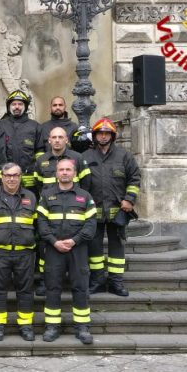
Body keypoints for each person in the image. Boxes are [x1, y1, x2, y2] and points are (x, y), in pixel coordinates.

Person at [36, 158, 97, 344]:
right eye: (61, 169)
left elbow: (91, 224)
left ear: (75, 173)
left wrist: (74, 240)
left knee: (80, 287)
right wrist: (54, 242)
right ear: (56, 173)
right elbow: (41, 223)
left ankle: (82, 327)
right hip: (53, 249)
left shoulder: (85, 196)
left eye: (68, 169)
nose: (64, 172)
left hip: (78, 249)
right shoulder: (46, 195)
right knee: (52, 287)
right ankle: (52, 326)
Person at [28, 126, 91, 296]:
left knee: (76, 252)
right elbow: (38, 185)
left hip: (74, 211)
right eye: (54, 137)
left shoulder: (77, 158)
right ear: (49, 140)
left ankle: (76, 283)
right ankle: (44, 281)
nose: (57, 140)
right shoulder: (41, 160)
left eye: (60, 137)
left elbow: (86, 184)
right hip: (50, 211)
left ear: (66, 140)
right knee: (45, 249)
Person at [82, 117, 141, 297]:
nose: (103, 136)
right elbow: (80, 184)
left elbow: (135, 178)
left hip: (118, 212)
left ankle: (116, 282)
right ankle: (97, 281)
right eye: (100, 133)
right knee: (94, 249)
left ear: (112, 136)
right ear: (95, 135)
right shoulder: (85, 157)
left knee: (117, 248)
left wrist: (129, 199)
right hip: (93, 212)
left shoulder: (124, 156)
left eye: (107, 133)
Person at [0, 163, 37, 342]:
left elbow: (37, 224)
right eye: (8, 175)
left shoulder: (31, 196)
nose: (11, 179)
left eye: (15, 175)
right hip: (0, 253)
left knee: (26, 291)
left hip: (25, 253)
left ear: (20, 177)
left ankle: (26, 325)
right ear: (2, 177)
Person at [0, 90, 44, 187]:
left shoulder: (35, 126)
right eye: (14, 104)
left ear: (25, 107)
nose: (17, 107)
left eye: (20, 104)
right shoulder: (0, 126)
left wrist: (33, 172)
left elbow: (40, 152)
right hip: (5, 179)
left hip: (29, 181)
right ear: (9, 107)